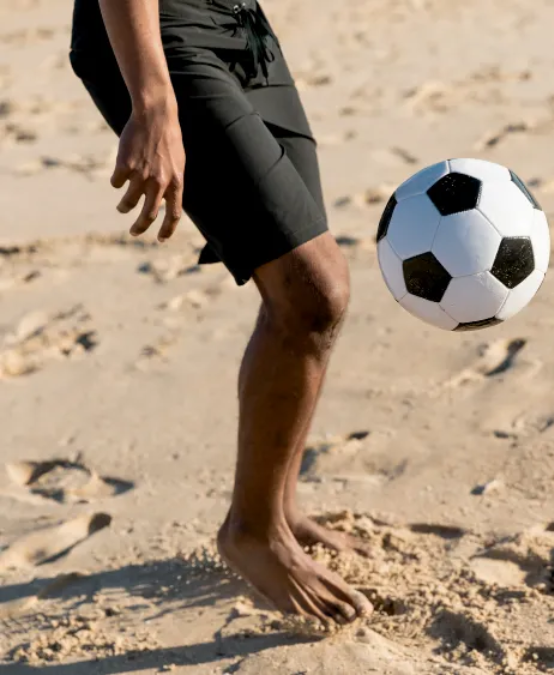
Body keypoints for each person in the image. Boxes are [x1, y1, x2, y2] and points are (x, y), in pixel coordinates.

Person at [69, 0, 374, 624]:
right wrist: (153, 98)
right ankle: (252, 533)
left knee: (300, 297)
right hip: (159, 32)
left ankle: (276, 508)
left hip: (243, 25)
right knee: (315, 289)